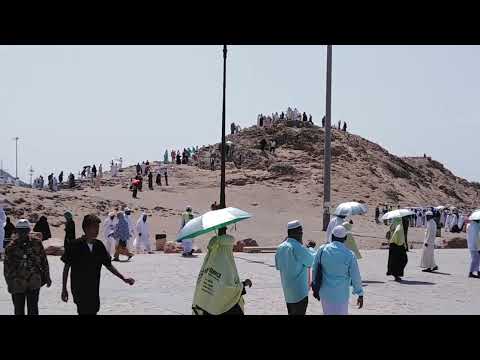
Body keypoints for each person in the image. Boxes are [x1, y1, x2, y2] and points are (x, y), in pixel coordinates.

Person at [61, 214, 135, 315]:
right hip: (79, 289)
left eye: (98, 227)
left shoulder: (99, 246)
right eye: (94, 227)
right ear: (86, 228)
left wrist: (123, 278)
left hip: (94, 289)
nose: (97, 230)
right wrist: (64, 288)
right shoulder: (74, 245)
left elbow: (108, 265)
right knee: (83, 311)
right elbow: (66, 267)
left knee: (94, 310)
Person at [192, 228, 252, 315]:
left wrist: (221, 231)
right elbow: (226, 290)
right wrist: (243, 284)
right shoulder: (225, 261)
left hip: (204, 305)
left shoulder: (209, 260)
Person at [312, 225, 364, 315]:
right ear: (345, 238)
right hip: (341, 295)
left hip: (325, 293)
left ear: (332, 236)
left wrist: (315, 288)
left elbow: (314, 270)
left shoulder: (322, 249)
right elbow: (356, 276)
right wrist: (360, 293)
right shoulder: (349, 255)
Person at [4, 219, 51, 315]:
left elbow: (44, 261)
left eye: (25, 230)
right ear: (17, 231)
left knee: (33, 309)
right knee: (18, 310)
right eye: (20, 231)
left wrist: (47, 277)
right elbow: (6, 268)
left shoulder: (37, 243)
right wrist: (9, 283)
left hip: (33, 282)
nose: (23, 233)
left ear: (29, 230)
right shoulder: (11, 247)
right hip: (17, 284)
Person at [275, 220, 314, 315]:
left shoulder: (280, 247)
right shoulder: (297, 247)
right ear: (296, 232)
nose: (301, 234)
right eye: (300, 232)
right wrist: (310, 249)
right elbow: (310, 261)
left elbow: (278, 266)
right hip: (299, 293)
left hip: (288, 293)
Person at [386, 217, 408, 281]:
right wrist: (402, 243)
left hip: (393, 244)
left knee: (394, 260)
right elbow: (398, 234)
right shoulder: (398, 224)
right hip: (398, 244)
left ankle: (395, 274)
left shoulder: (393, 224)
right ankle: (396, 274)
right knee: (402, 259)